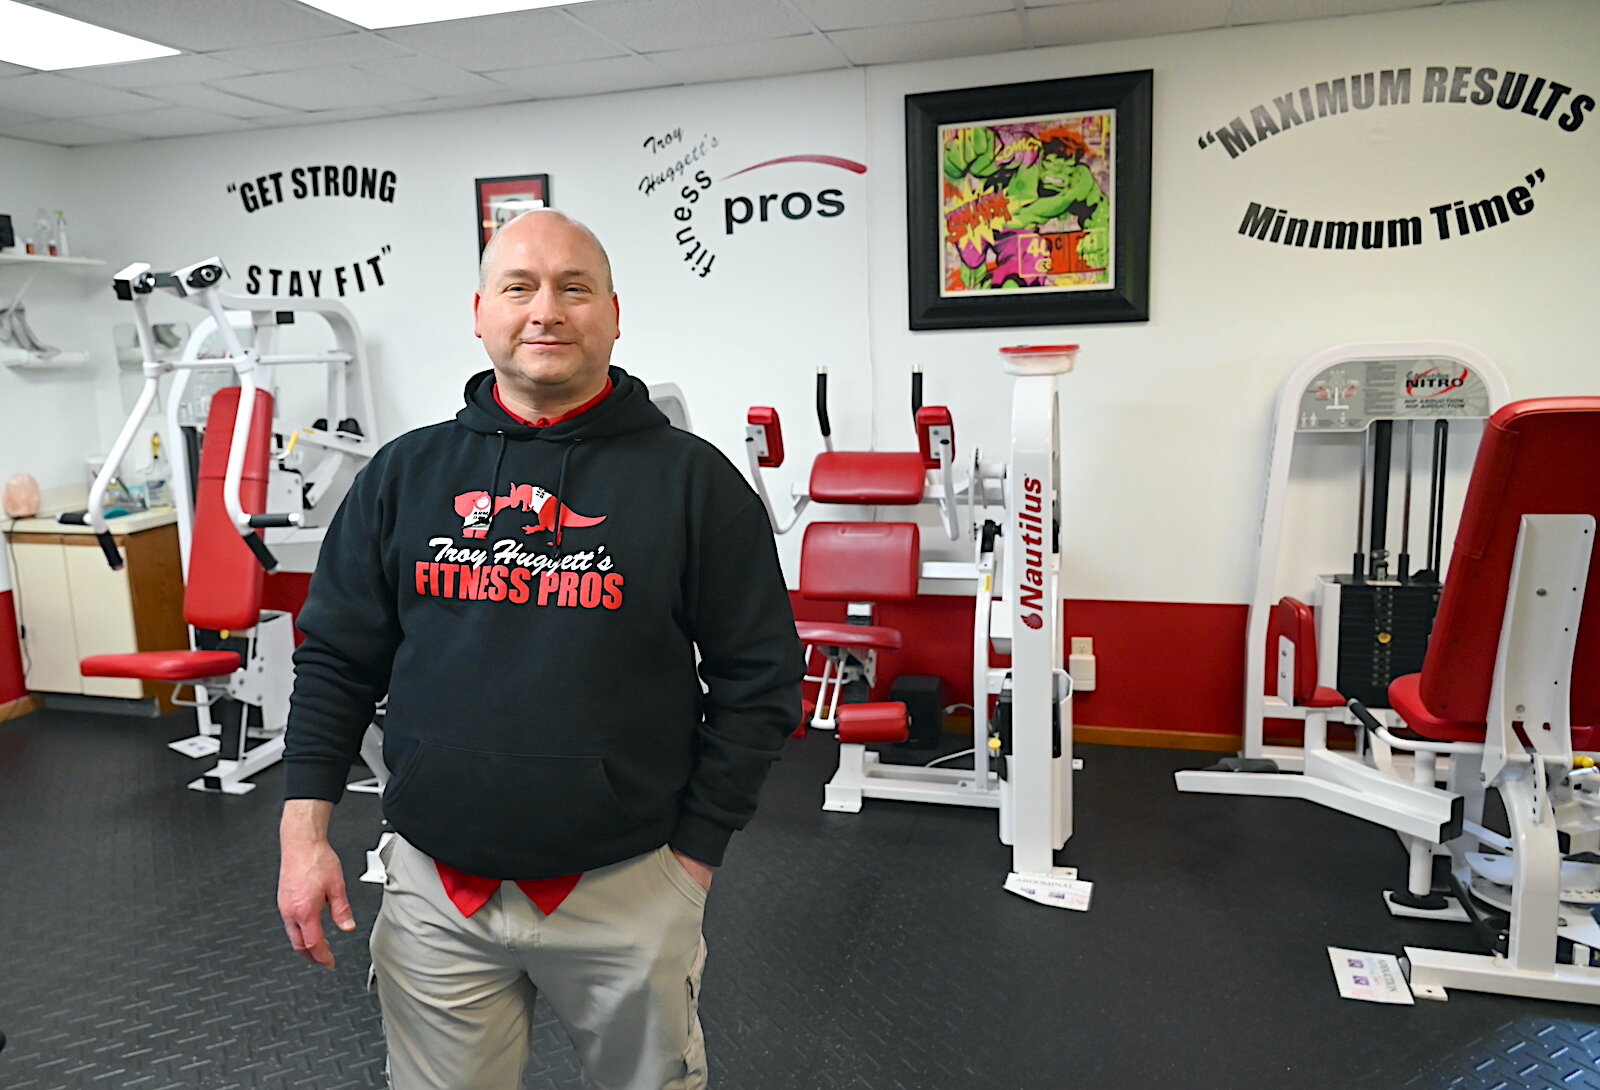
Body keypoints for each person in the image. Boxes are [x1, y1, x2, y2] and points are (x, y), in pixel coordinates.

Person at [276, 209, 804, 1090]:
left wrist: (694, 858)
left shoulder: (693, 482)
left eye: (574, 287)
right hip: (435, 893)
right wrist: (305, 836)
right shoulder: (405, 476)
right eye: (519, 286)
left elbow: (760, 680)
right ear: (480, 312)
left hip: (628, 888)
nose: (546, 309)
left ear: (615, 312)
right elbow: (334, 661)